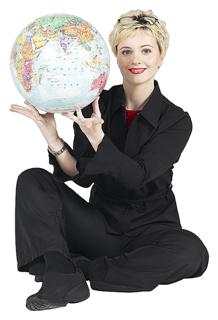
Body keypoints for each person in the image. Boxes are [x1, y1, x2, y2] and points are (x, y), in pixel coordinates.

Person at [10, 9, 209, 311]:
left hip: (152, 232)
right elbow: (82, 176)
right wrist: (53, 139)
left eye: (145, 50)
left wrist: (99, 139)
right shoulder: (97, 103)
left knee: (193, 253)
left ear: (160, 56)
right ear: (115, 56)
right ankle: (64, 272)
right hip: (101, 226)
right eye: (126, 51)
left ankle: (77, 270)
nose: (135, 60)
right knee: (32, 179)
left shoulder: (176, 120)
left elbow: (138, 176)